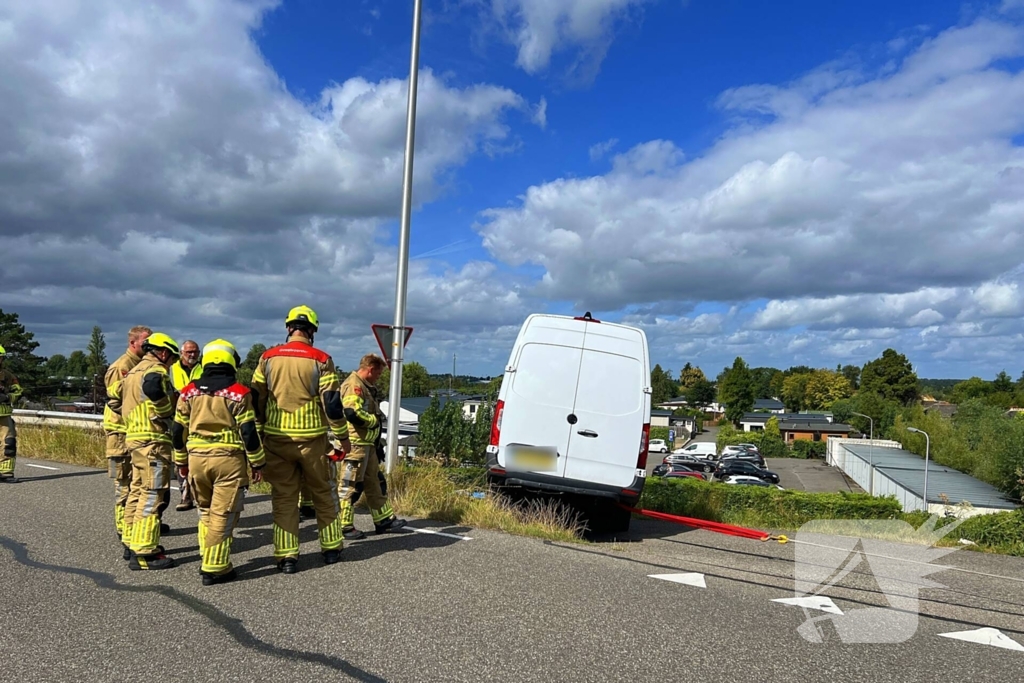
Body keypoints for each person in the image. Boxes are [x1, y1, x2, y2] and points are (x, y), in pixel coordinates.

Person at [251, 306, 352, 573]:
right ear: (313, 331)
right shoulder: (321, 358)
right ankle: (331, 549)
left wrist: (260, 427)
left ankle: (286, 558)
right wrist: (343, 438)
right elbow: (331, 404)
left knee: (284, 498)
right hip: (312, 442)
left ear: (288, 328)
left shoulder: (267, 358)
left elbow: (256, 396)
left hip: (276, 440)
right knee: (324, 493)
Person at [172, 339, 265, 586]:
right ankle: (215, 566)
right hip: (228, 461)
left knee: (205, 511)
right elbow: (248, 433)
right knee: (224, 514)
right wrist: (257, 463)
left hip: (196, 461)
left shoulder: (188, 392)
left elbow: (176, 432)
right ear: (231, 362)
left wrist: (181, 463)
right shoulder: (240, 393)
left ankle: (207, 553)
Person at [121, 333, 180, 570]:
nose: (172, 364)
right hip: (152, 440)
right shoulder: (155, 370)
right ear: (164, 353)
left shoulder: (132, 372)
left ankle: (131, 541)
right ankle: (145, 552)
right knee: (152, 494)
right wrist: (166, 413)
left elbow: (114, 396)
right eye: (172, 360)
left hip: (134, 438)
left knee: (137, 490)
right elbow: (154, 387)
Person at [337, 354, 407, 539]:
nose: (379, 377)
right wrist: (373, 423)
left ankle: (383, 520)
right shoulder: (355, 385)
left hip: (367, 445)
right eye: (378, 373)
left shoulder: (365, 386)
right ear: (370, 369)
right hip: (355, 445)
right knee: (349, 485)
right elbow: (352, 412)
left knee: (375, 482)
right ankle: (343, 525)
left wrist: (377, 444)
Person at [102, 325, 151, 543]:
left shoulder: (143, 365)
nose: (149, 346)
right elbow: (115, 401)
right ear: (133, 343)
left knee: (139, 482)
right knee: (123, 482)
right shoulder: (122, 366)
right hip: (120, 434)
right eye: (145, 342)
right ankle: (123, 527)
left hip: (135, 433)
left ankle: (135, 521)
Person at [170, 340, 201, 511]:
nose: (192, 355)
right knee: (180, 457)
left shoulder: (203, 368)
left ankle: (198, 492)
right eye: (189, 352)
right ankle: (185, 494)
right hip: (178, 417)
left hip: (198, 418)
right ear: (182, 353)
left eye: (195, 352)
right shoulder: (172, 369)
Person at [0, 345, 24, 482]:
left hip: (4, 415)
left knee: (8, 443)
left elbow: (18, 391)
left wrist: (8, 397)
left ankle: (6, 472)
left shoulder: (7, 375)